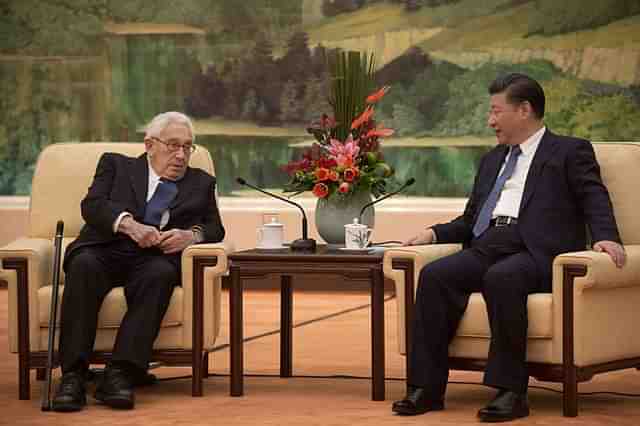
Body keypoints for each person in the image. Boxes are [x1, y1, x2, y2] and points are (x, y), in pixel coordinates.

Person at [391, 73, 626, 422]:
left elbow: (594, 196)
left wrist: (607, 236)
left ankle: (511, 392)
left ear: (525, 110)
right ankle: (426, 388)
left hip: (537, 251)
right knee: (436, 275)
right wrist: (433, 233)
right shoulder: (492, 160)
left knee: (503, 278)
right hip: (490, 243)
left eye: (496, 111)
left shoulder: (568, 151)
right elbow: (472, 218)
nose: (490, 121)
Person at [52, 111, 225, 412]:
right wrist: (129, 225)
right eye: (173, 145)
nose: (181, 155)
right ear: (150, 144)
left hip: (154, 257)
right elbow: (92, 206)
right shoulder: (116, 165)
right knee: (83, 266)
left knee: (159, 275)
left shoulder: (201, 183)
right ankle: (73, 376)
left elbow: (214, 227)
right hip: (106, 247)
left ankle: (120, 374)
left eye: (187, 147)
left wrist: (190, 235)